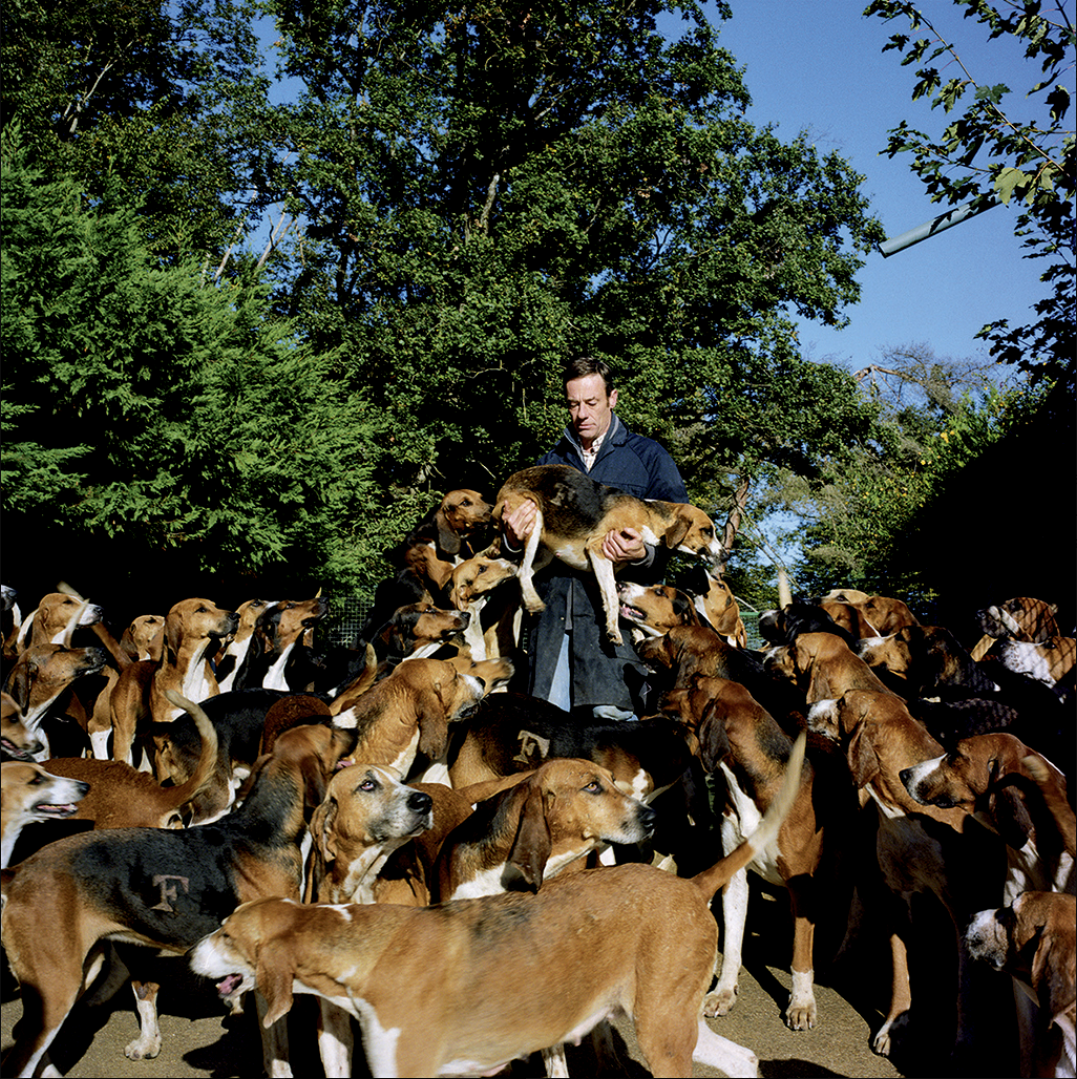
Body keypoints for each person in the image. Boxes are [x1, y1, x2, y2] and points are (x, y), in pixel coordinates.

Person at [502, 357, 688, 720]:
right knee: (550, 735)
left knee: (612, 733)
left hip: (611, 635)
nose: (582, 413)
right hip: (551, 625)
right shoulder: (548, 463)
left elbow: (678, 536)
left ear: (612, 398)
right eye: (573, 404)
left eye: (591, 403)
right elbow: (516, 549)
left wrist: (641, 554)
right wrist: (512, 537)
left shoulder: (649, 457)